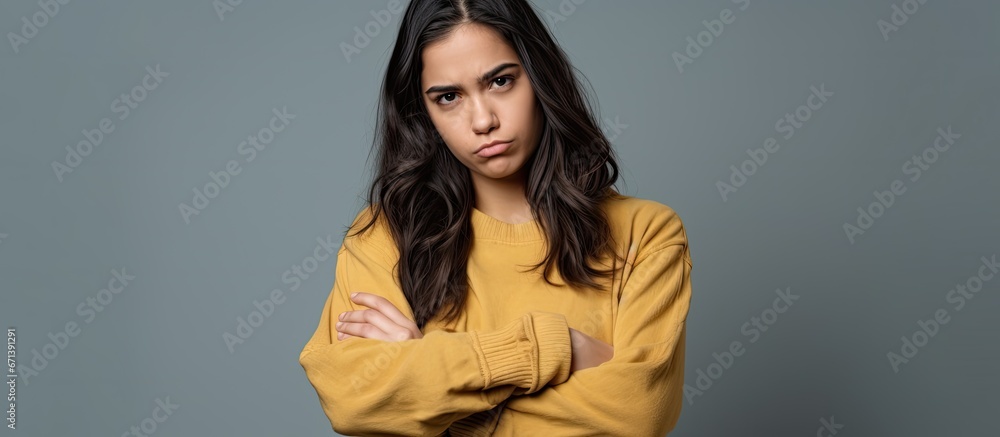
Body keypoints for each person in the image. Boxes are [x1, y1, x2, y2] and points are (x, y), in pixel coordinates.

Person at [298, 0, 693, 435]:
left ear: (540, 76)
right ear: (423, 115)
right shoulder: (385, 237)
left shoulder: (645, 234)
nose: (483, 120)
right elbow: (353, 400)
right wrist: (552, 348)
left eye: (501, 81)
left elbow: (639, 414)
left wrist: (431, 372)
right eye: (449, 97)